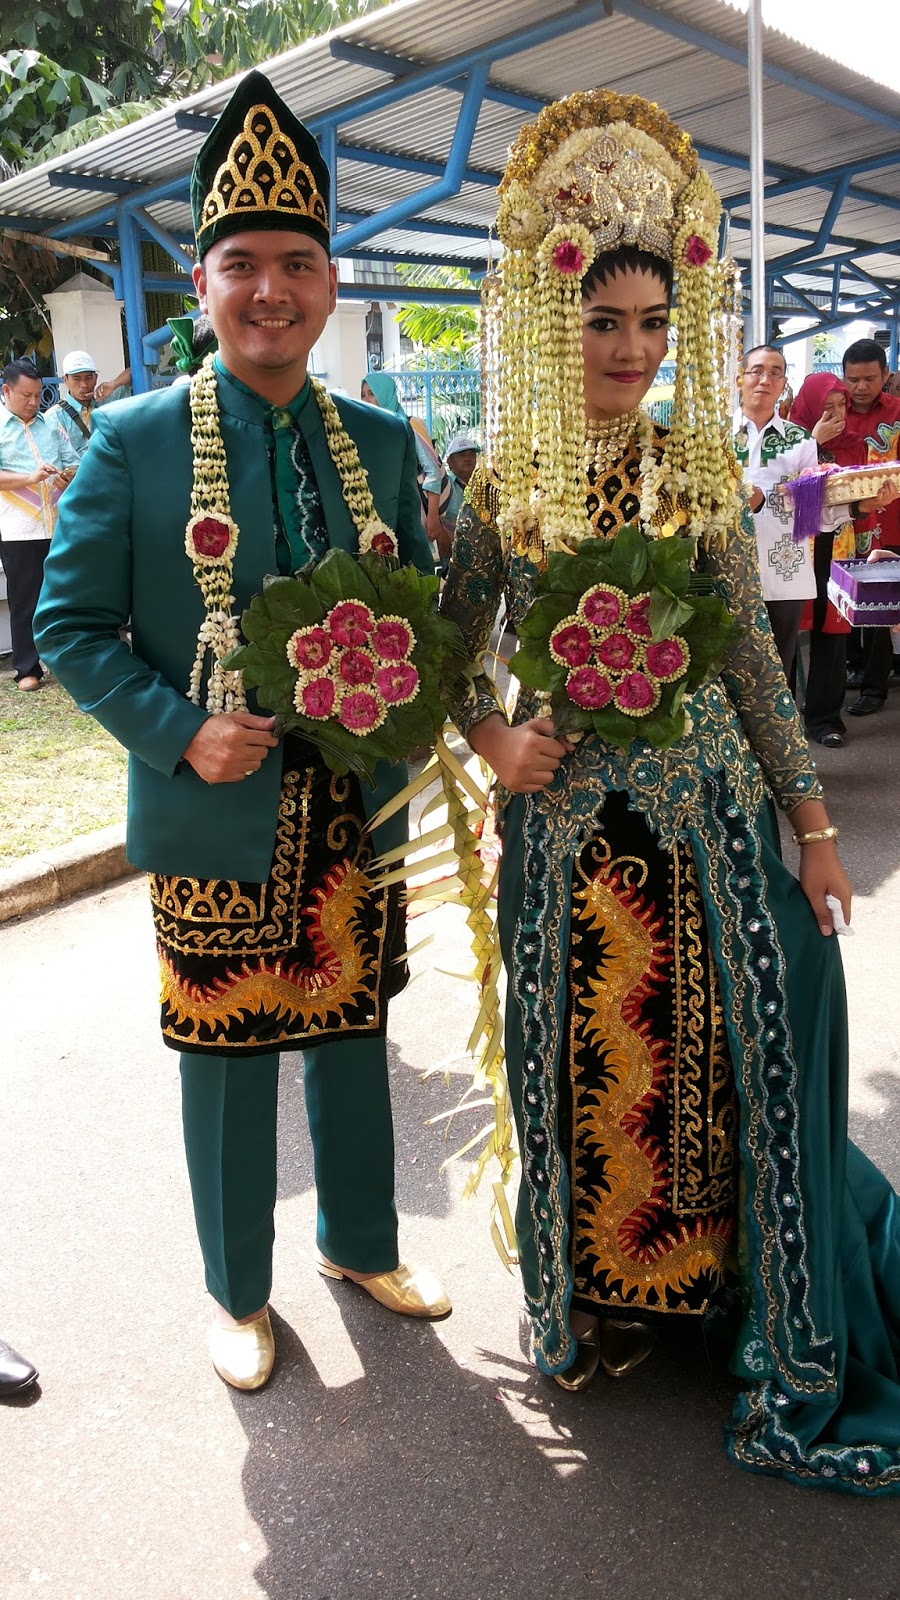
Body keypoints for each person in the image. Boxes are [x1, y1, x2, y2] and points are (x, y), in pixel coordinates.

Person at [439, 87, 900, 1493]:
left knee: (733, 1054)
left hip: (711, 831)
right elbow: (448, 656)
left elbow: (760, 678)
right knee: (593, 1054)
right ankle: (610, 1299)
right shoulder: (495, 490)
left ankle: (732, 1299)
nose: (632, 351)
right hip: (570, 835)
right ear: (547, 317)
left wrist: (815, 834)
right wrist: (490, 741)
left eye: (654, 325)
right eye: (603, 322)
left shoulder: (697, 479)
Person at [35, 71, 450, 1393]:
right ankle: (234, 1288)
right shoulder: (131, 442)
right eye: (240, 265)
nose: (270, 289)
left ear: (329, 282)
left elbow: (421, 614)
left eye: (297, 264)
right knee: (225, 1055)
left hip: (355, 803)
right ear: (199, 286)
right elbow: (72, 628)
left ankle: (362, 1242)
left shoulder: (384, 443)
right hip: (216, 802)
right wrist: (177, 730)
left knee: (350, 1032)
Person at [733, 345, 848, 681]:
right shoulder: (714, 436)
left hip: (784, 572)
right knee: (726, 670)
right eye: (756, 370)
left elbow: (812, 516)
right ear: (740, 377)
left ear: (784, 384)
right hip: (726, 569)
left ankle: (778, 735)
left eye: (775, 372)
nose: (764, 379)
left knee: (777, 672)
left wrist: (854, 504)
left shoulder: (800, 442)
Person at [0, 357, 79, 690]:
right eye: (26, 396)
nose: (33, 403)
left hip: (60, 524)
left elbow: (75, 463)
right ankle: (27, 668)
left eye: (37, 395)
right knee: (25, 599)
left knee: (66, 596)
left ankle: (70, 663)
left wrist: (67, 478)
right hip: (19, 528)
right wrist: (28, 478)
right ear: (6, 391)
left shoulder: (52, 424)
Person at [788, 374, 856, 747]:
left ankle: (825, 718)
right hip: (797, 547)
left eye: (841, 405)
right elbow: (785, 489)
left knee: (832, 634)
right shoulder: (790, 441)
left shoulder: (853, 446)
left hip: (838, 545)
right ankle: (781, 720)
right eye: (826, 406)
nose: (835, 414)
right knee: (787, 631)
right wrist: (813, 443)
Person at [838, 339, 900, 717]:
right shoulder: (833, 410)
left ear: (885, 375)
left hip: (888, 522)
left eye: (868, 379)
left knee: (879, 604)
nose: (859, 387)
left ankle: (875, 687)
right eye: (852, 379)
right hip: (842, 523)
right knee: (840, 598)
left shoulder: (897, 414)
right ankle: (852, 665)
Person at [360, 371, 450, 558]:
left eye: (372, 393)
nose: (367, 399)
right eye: (363, 394)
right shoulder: (375, 432)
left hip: (416, 511)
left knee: (421, 565)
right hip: (391, 513)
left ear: (385, 394)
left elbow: (432, 470)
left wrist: (433, 517)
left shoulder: (409, 425)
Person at [46, 350, 100, 458]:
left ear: (96, 378)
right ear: (65, 380)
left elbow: (132, 373)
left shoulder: (106, 402)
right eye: (76, 379)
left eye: (88, 378)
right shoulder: (54, 416)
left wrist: (113, 384)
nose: (84, 385)